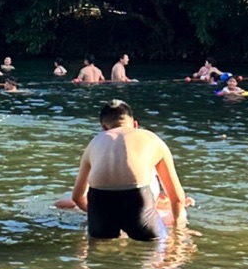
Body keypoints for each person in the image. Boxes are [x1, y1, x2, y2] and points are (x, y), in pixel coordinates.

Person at [57, 100, 189, 240]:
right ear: (135, 124)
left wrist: (95, 213)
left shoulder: (94, 143)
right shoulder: (152, 139)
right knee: (158, 246)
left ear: (104, 127)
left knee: (98, 254)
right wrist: (179, 229)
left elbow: (77, 196)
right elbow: (177, 198)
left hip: (100, 201)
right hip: (137, 200)